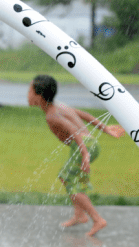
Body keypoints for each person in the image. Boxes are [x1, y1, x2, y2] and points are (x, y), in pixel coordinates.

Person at [28, 74, 125, 237]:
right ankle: (79, 215)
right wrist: (105, 129)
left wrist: (85, 153)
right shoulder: (59, 106)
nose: (28, 95)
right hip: (88, 144)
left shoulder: (52, 115)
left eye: (29, 91)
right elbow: (83, 114)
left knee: (71, 183)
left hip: (83, 146)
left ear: (38, 96)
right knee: (66, 177)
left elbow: (74, 130)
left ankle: (97, 219)